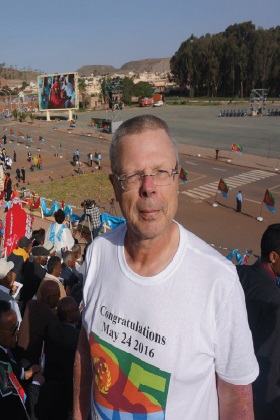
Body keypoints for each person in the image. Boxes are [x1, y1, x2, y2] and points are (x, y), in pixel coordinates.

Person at [74, 115, 258, 419]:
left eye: (161, 172)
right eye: (133, 176)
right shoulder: (98, 254)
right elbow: (86, 351)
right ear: (115, 186)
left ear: (176, 178)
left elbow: (237, 401)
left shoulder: (218, 280)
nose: (148, 188)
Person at [237, 224, 280, 419]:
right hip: (253, 398)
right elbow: (270, 365)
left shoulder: (234, 274)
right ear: (273, 257)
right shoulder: (275, 300)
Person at [0, 300, 44, 419]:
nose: (18, 332)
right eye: (13, 329)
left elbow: (13, 368)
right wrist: (36, 384)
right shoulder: (2, 371)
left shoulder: (5, 351)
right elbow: (18, 406)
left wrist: (28, 373)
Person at [0, 258, 22, 323]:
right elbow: (19, 325)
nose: (13, 273)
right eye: (10, 271)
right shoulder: (11, 302)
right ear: (7, 277)